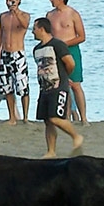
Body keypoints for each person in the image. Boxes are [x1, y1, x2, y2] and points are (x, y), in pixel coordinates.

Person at [31, 17, 83, 158]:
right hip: (44, 88)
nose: (32, 32)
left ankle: (76, 136)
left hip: (58, 86)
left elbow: (70, 63)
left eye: (34, 29)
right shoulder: (37, 49)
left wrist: (64, 77)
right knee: (47, 121)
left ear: (42, 29)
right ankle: (51, 151)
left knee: (55, 118)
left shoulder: (57, 45)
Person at [47, 0, 89, 126]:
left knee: (75, 85)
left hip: (71, 50)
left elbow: (81, 36)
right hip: (55, 53)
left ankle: (83, 118)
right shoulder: (50, 15)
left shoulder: (73, 14)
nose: (51, 0)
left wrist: (64, 44)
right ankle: (66, 116)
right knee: (61, 85)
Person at [0, 0, 31, 124]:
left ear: (18, 1)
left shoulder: (25, 15)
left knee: (23, 87)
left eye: (12, 0)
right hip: (5, 54)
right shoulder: (3, 16)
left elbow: (25, 25)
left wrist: (16, 12)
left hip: (18, 53)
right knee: (7, 87)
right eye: (7, 0)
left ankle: (25, 117)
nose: (9, 3)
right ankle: (12, 117)